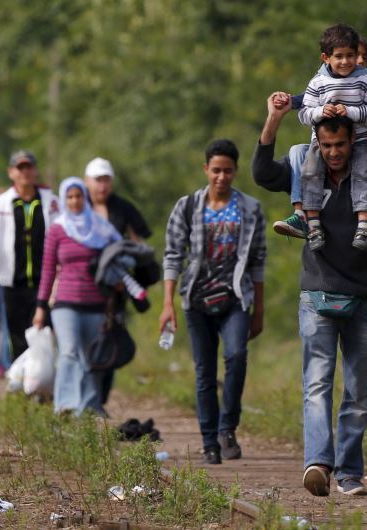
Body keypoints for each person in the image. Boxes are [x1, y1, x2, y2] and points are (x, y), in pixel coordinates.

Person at [252, 91, 367, 495]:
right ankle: (318, 464)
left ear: (352, 142)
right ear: (317, 143)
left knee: (358, 393)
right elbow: (262, 174)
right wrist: (273, 118)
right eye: (325, 146)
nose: (333, 153)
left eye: (340, 145)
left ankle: (349, 473)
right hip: (318, 294)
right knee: (317, 384)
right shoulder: (303, 168)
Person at [159, 139, 266, 465]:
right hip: (197, 299)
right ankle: (209, 442)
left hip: (236, 298)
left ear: (236, 171)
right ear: (205, 169)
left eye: (228, 171)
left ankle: (227, 427)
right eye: (216, 170)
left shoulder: (250, 208)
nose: (222, 177)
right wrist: (167, 303)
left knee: (236, 356)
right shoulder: (188, 206)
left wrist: (259, 309)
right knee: (204, 373)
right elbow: (173, 255)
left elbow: (258, 260)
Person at [272, 24, 367, 252]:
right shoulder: (317, 82)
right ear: (326, 58)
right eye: (339, 57)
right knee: (310, 171)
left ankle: (364, 224)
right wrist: (320, 112)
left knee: (363, 171)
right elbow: (305, 113)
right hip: (322, 143)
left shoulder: (366, 80)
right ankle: (312, 223)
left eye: (350, 56)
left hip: (360, 140)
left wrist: (350, 112)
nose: (346, 62)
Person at [32, 176, 121, 415]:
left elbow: (118, 254)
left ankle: (90, 406)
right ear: (64, 199)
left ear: (85, 197)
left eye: (79, 196)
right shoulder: (58, 229)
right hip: (65, 302)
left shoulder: (100, 228)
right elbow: (48, 269)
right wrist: (41, 306)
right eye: (70, 197)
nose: (74, 201)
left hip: (96, 303)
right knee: (69, 351)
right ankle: (65, 405)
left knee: (92, 357)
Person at [0, 149, 60, 366]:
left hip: (45, 282)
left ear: (36, 171)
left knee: (44, 333)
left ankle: (45, 387)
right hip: (12, 282)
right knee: (17, 337)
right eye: (20, 168)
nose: (25, 172)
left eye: (29, 167)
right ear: (11, 172)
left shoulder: (51, 202)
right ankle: (25, 386)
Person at [84, 156, 154, 406]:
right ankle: (85, 399)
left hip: (116, 287)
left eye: (106, 180)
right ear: (87, 182)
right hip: (84, 285)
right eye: (97, 180)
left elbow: (139, 242)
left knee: (111, 337)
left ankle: (100, 401)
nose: (102, 186)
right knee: (85, 341)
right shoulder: (78, 207)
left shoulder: (123, 208)